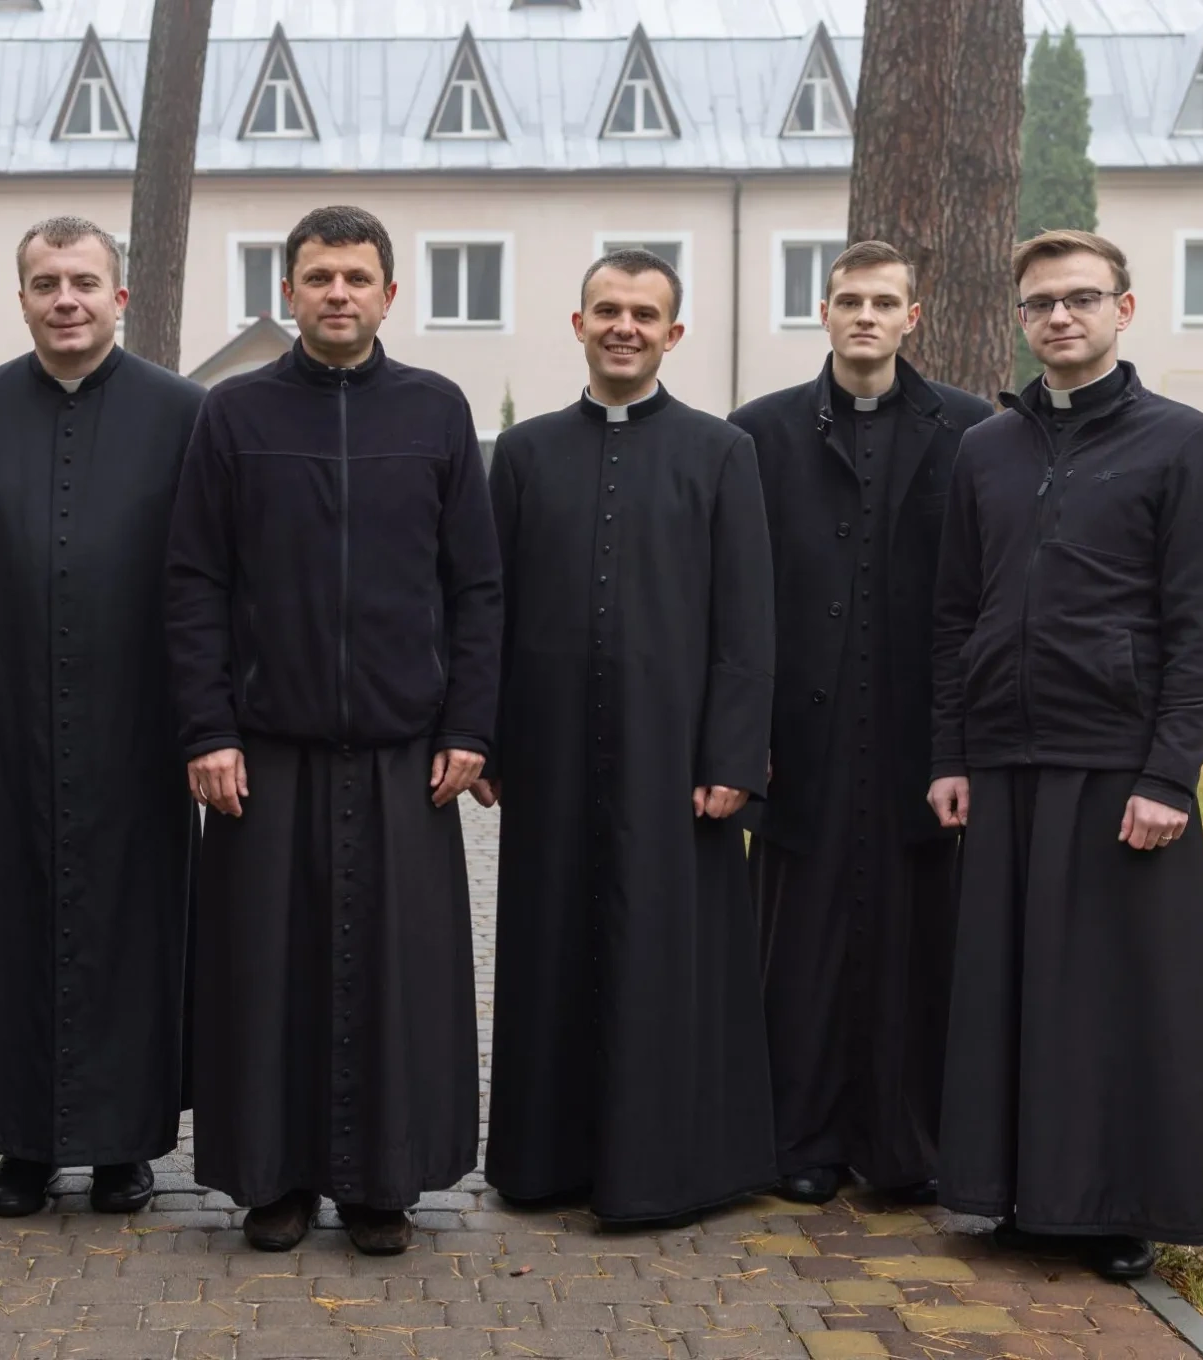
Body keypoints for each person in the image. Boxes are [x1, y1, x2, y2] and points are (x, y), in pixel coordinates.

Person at [166, 205, 501, 1255]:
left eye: (358, 276)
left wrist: (471, 723)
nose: (338, 293)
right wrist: (206, 727)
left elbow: (477, 587)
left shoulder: (436, 412)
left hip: (405, 754)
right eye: (318, 277)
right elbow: (193, 583)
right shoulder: (232, 416)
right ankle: (273, 1183)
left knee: (398, 983)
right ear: (288, 293)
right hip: (266, 751)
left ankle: (380, 1187)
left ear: (390, 294)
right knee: (264, 982)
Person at [930, 229, 1203, 1280]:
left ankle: (1115, 1206)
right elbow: (953, 614)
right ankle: (1015, 1192)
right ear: (1020, 317)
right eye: (1040, 303)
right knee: (1011, 991)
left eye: (1080, 299)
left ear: (1123, 310)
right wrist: (949, 753)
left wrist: (1167, 775)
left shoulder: (1180, 442)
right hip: (1002, 759)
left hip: (1117, 766)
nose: (1059, 317)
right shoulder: (986, 449)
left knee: (1113, 999)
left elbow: (1199, 628)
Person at [481, 249, 776, 1226]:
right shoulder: (521, 454)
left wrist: (733, 755)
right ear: (577, 323)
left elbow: (746, 618)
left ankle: (667, 1169)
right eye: (606, 309)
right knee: (549, 950)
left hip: (675, 762)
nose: (623, 326)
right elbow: (489, 607)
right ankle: (543, 1162)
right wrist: (482, 735)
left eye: (644, 314)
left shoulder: (719, 451)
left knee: (666, 957)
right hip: (550, 757)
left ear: (672, 334)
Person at [0, 217, 204, 1218]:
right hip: (9, 716)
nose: (66, 299)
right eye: (46, 282)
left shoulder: (184, 411)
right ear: (23, 297)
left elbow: (202, 563)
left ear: (119, 297)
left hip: (143, 716)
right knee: (7, 920)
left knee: (136, 920)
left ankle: (125, 1141)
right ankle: (24, 1144)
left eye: (84, 281)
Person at [727, 241, 993, 1206]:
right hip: (802, 736)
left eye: (885, 301)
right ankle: (799, 1140)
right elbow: (737, 598)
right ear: (825, 312)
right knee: (798, 943)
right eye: (850, 300)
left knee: (920, 936)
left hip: (925, 731)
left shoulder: (972, 431)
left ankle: (907, 1147)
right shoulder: (757, 433)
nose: (867, 316)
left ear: (913, 317)